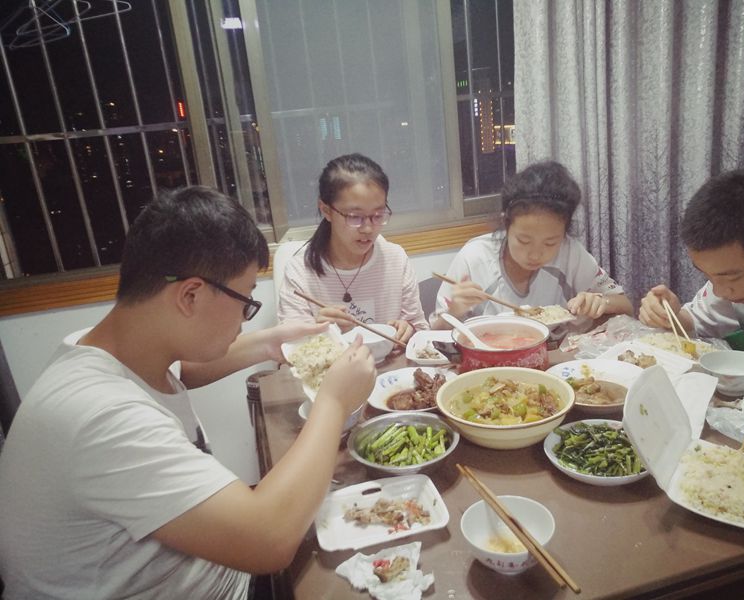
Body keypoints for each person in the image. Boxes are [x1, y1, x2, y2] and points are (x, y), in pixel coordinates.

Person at [0, 186, 376, 599]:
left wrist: (272, 343)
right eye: (245, 301)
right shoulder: (101, 418)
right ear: (190, 295)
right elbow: (269, 541)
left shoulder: (110, 348)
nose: (245, 318)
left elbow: (186, 369)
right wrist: (333, 401)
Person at [430, 160, 632, 330]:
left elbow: (626, 305)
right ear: (506, 223)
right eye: (524, 241)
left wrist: (601, 302)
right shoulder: (474, 258)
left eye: (550, 242)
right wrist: (454, 311)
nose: (535, 254)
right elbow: (434, 333)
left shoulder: (571, 253)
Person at [639, 170, 744, 360]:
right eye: (708, 276)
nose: (719, 292)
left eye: (732, 278)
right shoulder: (732, 278)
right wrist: (668, 316)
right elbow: (696, 322)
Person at [277, 153, 428, 343]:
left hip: (389, 363)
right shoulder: (300, 272)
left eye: (378, 215)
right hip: (333, 363)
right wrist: (318, 330)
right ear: (326, 210)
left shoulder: (395, 259)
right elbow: (289, 347)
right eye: (355, 217)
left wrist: (409, 330)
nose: (368, 229)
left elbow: (420, 329)